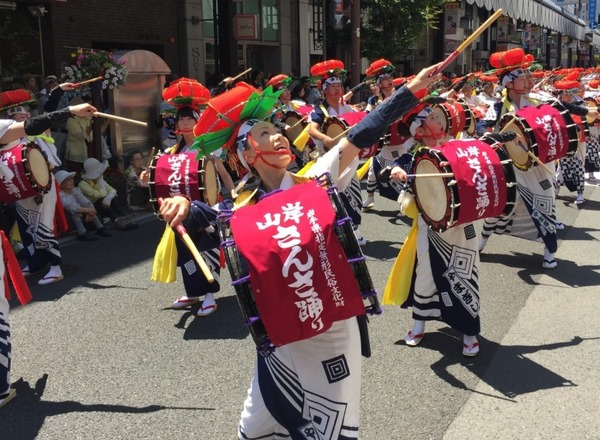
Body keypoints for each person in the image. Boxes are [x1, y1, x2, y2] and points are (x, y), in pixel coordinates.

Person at [158, 64, 443, 439]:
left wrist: (412, 91)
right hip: (280, 338)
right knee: (254, 426)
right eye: (264, 134)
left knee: (331, 425)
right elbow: (207, 220)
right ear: (246, 154)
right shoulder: (241, 210)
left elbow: (362, 132)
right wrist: (181, 204)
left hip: (333, 329)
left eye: (277, 131)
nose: (278, 138)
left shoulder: (316, 181)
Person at [1, 102, 95, 408]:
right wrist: (69, 109)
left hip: (35, 191)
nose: (20, 116)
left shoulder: (26, 139)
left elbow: (36, 140)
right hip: (21, 193)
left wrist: (66, 109)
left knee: (40, 230)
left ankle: (53, 265)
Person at [383, 93, 490, 356]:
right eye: (430, 118)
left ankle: (468, 330)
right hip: (429, 224)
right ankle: (419, 323)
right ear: (418, 130)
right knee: (426, 272)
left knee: (465, 272)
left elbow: (483, 161)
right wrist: (394, 171)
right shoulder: (412, 157)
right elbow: (387, 169)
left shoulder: (459, 147)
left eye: (438, 117)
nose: (438, 121)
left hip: (462, 223)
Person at [4, 100, 65, 285]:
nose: (21, 117)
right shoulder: (9, 137)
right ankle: (35, 262)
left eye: (24, 115)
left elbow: (49, 111)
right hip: (22, 187)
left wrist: (58, 93)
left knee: (43, 225)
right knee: (26, 227)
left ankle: (56, 266)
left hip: (43, 185)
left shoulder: (40, 130)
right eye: (17, 115)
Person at [307, 59, 365, 245]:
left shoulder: (347, 108)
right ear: (324, 89)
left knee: (354, 195)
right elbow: (312, 129)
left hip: (349, 157)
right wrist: (325, 138)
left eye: (339, 85)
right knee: (335, 194)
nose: (337, 88)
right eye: (332, 85)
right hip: (329, 159)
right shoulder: (320, 110)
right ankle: (345, 230)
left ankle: (351, 228)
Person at [78, 158, 138, 231]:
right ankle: (117, 220)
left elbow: (113, 190)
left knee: (112, 198)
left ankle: (124, 217)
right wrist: (105, 194)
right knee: (102, 200)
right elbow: (97, 195)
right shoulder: (83, 184)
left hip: (104, 205)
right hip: (92, 208)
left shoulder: (100, 180)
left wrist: (108, 198)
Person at [56, 170, 112, 240]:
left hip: (84, 217)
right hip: (69, 221)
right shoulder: (61, 196)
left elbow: (86, 202)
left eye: (71, 179)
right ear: (61, 184)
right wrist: (89, 210)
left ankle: (100, 228)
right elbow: (72, 207)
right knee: (75, 213)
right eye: (68, 180)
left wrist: (91, 210)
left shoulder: (75, 191)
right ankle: (82, 233)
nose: (71, 181)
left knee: (87, 210)